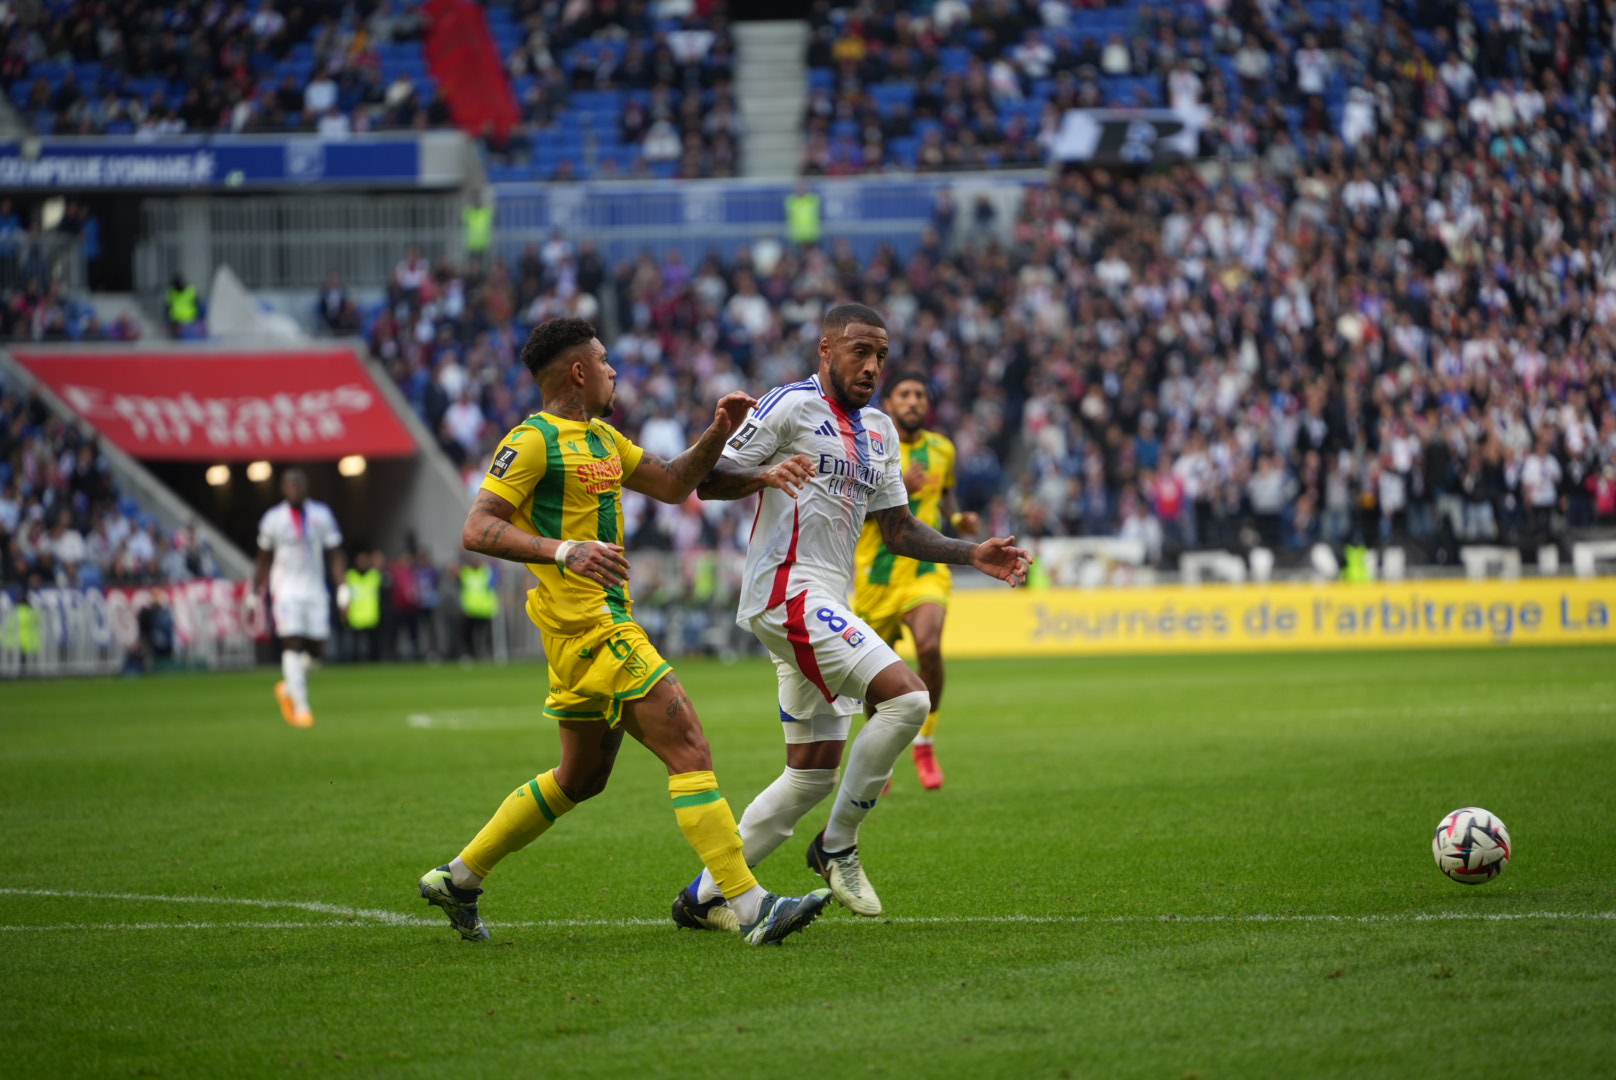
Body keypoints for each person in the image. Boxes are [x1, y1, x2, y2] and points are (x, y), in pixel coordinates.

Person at [417, 317, 831, 946]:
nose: (614, 370)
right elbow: (476, 528)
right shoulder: (531, 442)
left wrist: (720, 433)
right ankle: (749, 906)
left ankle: (460, 877)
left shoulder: (604, 438)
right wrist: (563, 552)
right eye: (604, 361)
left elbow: (671, 484)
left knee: (579, 778)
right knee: (687, 743)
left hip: (591, 630)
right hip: (590, 625)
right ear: (578, 371)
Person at [672, 304, 1029, 927]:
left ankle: (702, 898)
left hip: (828, 599)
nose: (872, 366)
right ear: (826, 349)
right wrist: (762, 473)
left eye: (881, 356)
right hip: (786, 589)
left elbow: (896, 529)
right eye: (860, 351)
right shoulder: (789, 404)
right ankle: (836, 847)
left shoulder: (881, 432)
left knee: (810, 775)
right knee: (910, 700)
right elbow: (709, 478)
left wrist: (972, 553)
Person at [851, 372, 979, 791]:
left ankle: (925, 741)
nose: (912, 401)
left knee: (928, 646)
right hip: (878, 573)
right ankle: (881, 752)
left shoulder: (943, 449)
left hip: (925, 569)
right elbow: (849, 510)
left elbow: (945, 496)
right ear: (891, 403)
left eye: (919, 395)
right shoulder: (868, 448)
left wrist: (959, 519)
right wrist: (896, 491)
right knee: (873, 673)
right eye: (904, 394)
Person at [252, 469, 345, 728]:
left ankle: (289, 686)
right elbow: (263, 559)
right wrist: (252, 595)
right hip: (285, 590)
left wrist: (343, 589)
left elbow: (335, 553)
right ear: (283, 489)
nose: (294, 489)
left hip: (315, 590)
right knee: (291, 643)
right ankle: (302, 707)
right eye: (289, 485)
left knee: (317, 651)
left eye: (298, 484)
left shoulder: (321, 514)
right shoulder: (273, 519)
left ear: (306, 487)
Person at [342, 550, 382, 662]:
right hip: (356, 615)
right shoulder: (350, 575)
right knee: (355, 643)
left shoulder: (374, 575)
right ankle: (355, 661)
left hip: (371, 615)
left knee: (372, 643)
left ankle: (374, 660)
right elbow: (344, 595)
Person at [457, 552, 498, 660]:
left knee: (487, 635)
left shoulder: (487, 571)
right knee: (468, 635)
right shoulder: (466, 572)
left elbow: (495, 580)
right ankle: (471, 654)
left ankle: (489, 654)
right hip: (471, 610)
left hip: (485, 609)